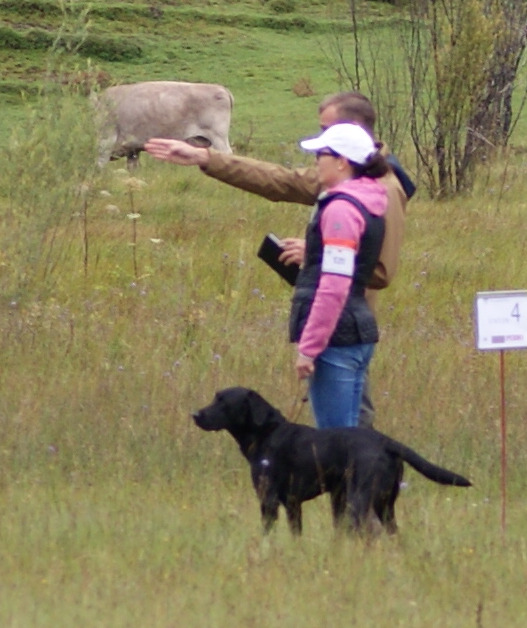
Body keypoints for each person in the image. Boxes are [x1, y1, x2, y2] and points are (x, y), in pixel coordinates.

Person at [140, 91, 416, 297]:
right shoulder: (343, 175)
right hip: (323, 315)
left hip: (346, 326)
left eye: (326, 131)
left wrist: (316, 253)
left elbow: (381, 271)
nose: (320, 141)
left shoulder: (384, 189)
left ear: (351, 132)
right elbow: (280, 180)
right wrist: (205, 157)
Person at [277, 121, 394, 430]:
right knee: (353, 438)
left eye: (322, 155)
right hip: (355, 328)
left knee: (336, 442)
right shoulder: (368, 201)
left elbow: (334, 286)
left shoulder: (341, 209)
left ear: (342, 161)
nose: (316, 161)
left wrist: (309, 347)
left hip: (336, 339)